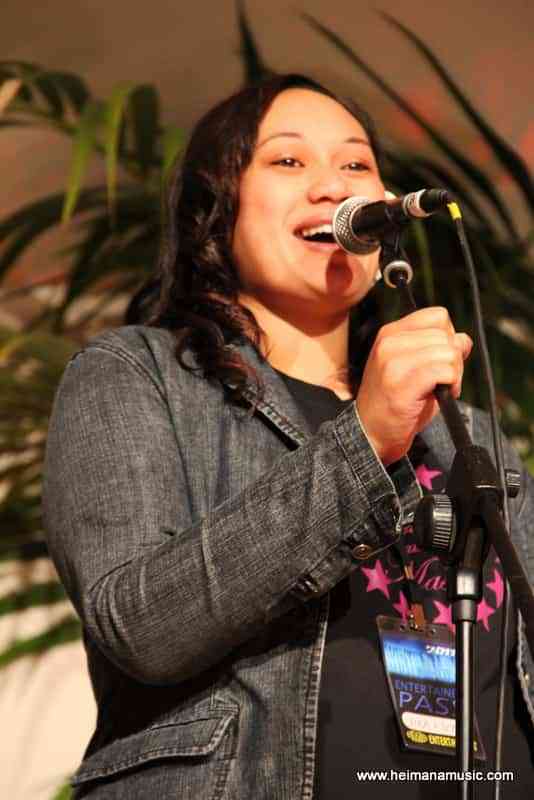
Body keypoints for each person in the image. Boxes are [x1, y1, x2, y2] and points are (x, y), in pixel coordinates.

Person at [42, 74, 534, 799]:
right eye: (288, 160)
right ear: (217, 210)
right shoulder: (137, 374)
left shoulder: (470, 430)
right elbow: (139, 626)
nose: (333, 187)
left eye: (356, 164)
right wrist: (364, 441)